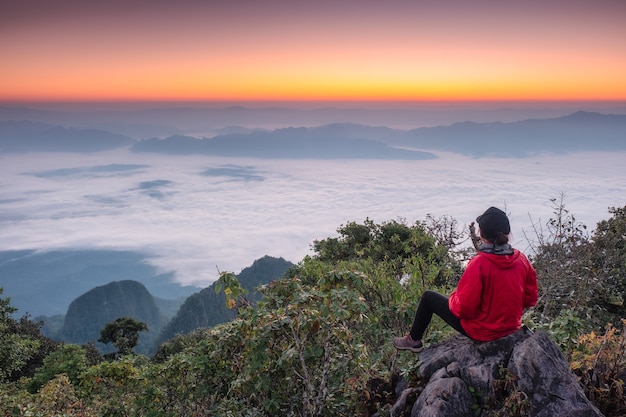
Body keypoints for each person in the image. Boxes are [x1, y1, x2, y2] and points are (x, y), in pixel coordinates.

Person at [393, 206, 538, 352]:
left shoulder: (479, 263)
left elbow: (463, 309)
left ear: (481, 234)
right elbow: (530, 299)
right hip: (512, 328)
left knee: (428, 297)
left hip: (483, 333)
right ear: (507, 232)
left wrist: (454, 298)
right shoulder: (521, 260)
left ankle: (413, 340)